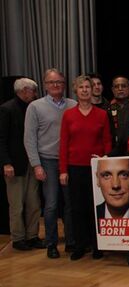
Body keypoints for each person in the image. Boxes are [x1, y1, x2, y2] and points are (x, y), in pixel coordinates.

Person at [24, 68, 77, 259]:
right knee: (52, 204)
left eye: (59, 82)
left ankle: (71, 242)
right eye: (51, 82)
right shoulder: (35, 107)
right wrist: (36, 165)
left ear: (64, 84)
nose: (56, 85)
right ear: (45, 85)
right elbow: (29, 139)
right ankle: (52, 243)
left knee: (70, 204)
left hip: (69, 161)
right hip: (47, 161)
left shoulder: (73, 105)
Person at [59, 75, 112, 260]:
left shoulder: (102, 114)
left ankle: (98, 246)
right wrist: (63, 170)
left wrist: (105, 160)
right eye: (81, 87)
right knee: (77, 208)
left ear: (92, 90)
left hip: (96, 168)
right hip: (74, 168)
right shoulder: (68, 115)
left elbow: (107, 141)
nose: (84, 90)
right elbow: (64, 144)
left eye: (88, 87)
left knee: (95, 207)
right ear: (76, 90)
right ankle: (80, 245)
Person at [0, 78, 44, 251]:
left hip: (32, 163)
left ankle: (32, 236)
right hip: (14, 164)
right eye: (33, 90)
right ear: (24, 90)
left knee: (34, 202)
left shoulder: (33, 108)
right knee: (16, 204)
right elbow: (1, 139)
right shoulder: (6, 109)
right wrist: (6, 163)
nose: (35, 94)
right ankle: (18, 238)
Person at [107, 76, 129, 146]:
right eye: (116, 86)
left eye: (123, 86)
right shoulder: (107, 110)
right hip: (114, 150)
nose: (120, 89)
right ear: (113, 90)